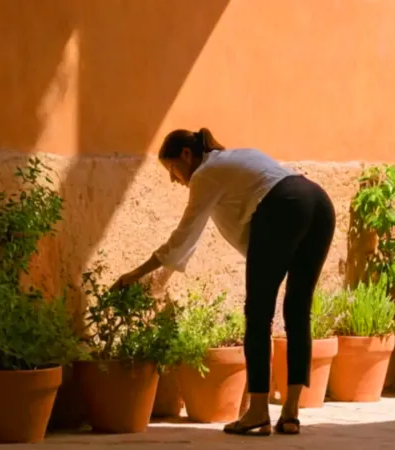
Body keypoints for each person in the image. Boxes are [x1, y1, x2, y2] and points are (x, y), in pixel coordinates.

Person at [112, 128, 336, 436]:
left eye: (173, 169)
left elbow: (182, 236)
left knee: (258, 313)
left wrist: (136, 273)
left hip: (283, 206)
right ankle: (291, 413)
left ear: (187, 155)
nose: (174, 180)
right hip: (319, 204)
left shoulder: (206, 174)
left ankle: (257, 411)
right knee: (297, 310)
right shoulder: (233, 160)